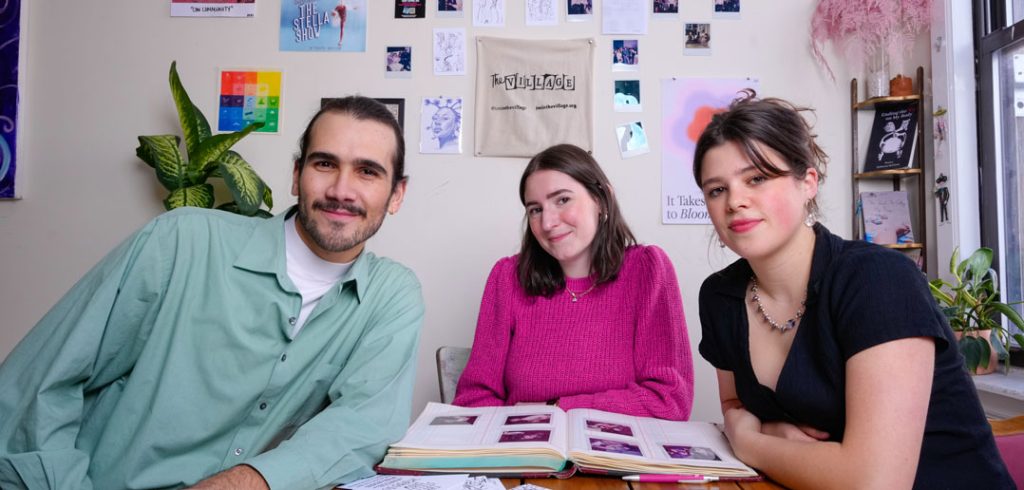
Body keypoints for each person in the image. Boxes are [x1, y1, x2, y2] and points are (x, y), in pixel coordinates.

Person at [0, 96, 424, 489]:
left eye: (368, 171)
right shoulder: (181, 241)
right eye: (325, 164)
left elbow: (359, 426)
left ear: (397, 195)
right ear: (297, 176)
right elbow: (37, 389)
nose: (341, 190)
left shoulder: (391, 295)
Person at [693, 90, 1013, 489]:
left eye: (756, 178)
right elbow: (734, 405)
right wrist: (769, 433)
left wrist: (749, 442)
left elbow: (875, 483)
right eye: (716, 189)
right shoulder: (719, 296)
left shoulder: (878, 280)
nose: (735, 201)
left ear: (807, 181)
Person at [453, 144, 694, 421]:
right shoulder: (507, 278)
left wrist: (555, 409)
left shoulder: (647, 270)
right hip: (531, 456)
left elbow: (668, 401)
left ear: (602, 199)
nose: (548, 222)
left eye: (562, 200)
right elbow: (473, 398)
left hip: (620, 460)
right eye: (535, 209)